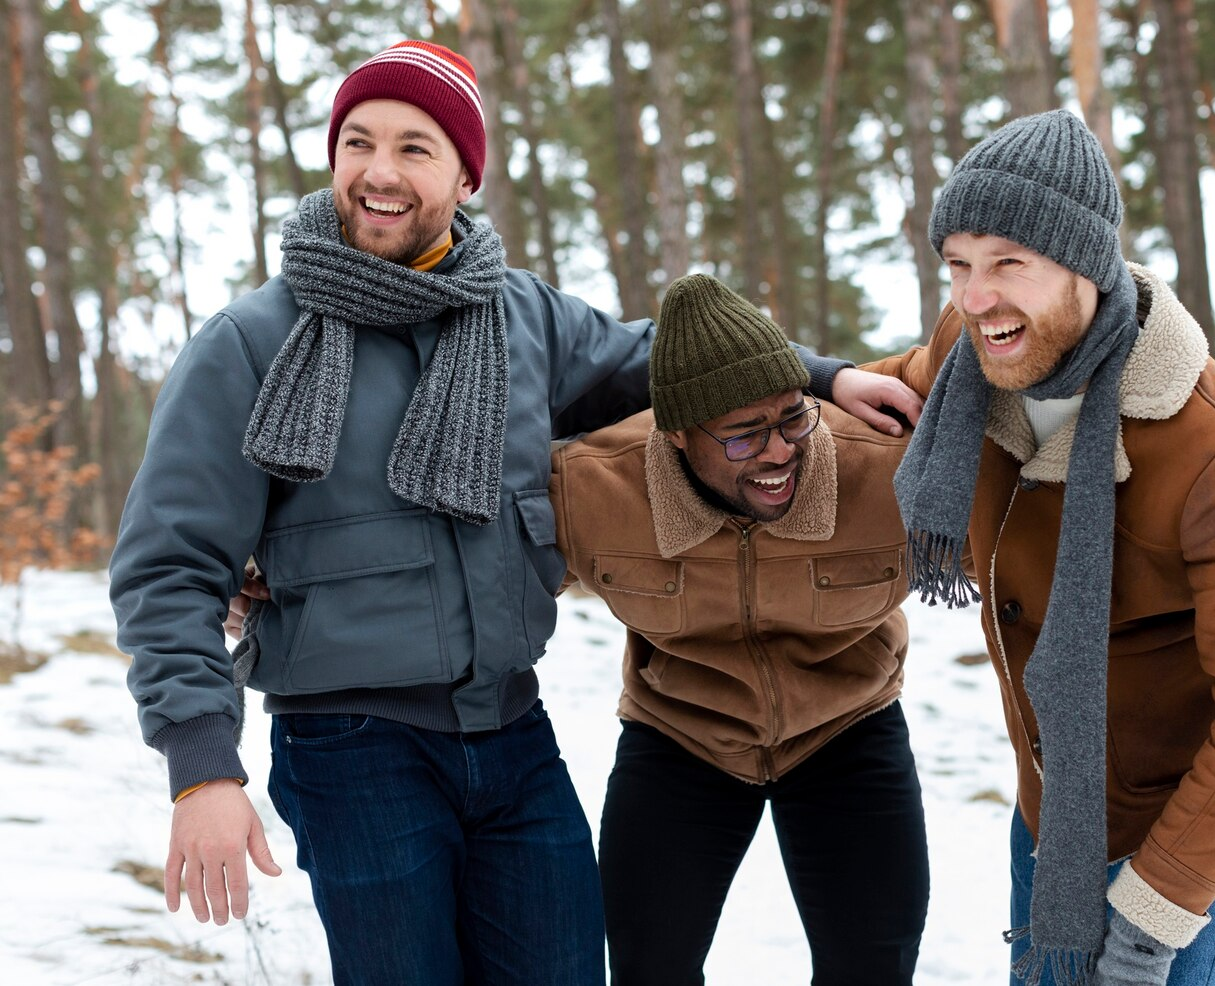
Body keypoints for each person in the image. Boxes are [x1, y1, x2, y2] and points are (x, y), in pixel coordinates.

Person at [110, 40, 908, 986]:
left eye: (415, 147)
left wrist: (825, 376)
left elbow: (669, 359)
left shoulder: (519, 317)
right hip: (350, 747)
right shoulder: (251, 343)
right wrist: (203, 766)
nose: (378, 170)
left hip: (513, 731)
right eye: (358, 142)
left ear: (462, 174)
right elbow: (169, 567)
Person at [865, 110, 1215, 986]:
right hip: (1050, 809)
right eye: (957, 264)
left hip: (1187, 832)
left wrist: (1155, 922)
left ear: (1082, 262)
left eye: (1008, 263)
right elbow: (889, 384)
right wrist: (812, 380)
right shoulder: (974, 356)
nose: (974, 295)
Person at [555, 274, 926, 985]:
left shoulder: (885, 466)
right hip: (680, 734)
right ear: (675, 433)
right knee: (646, 966)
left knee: (874, 969)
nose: (781, 450)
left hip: (848, 726)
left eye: (792, 417)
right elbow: (482, 564)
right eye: (743, 434)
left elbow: (1016, 544)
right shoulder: (588, 487)